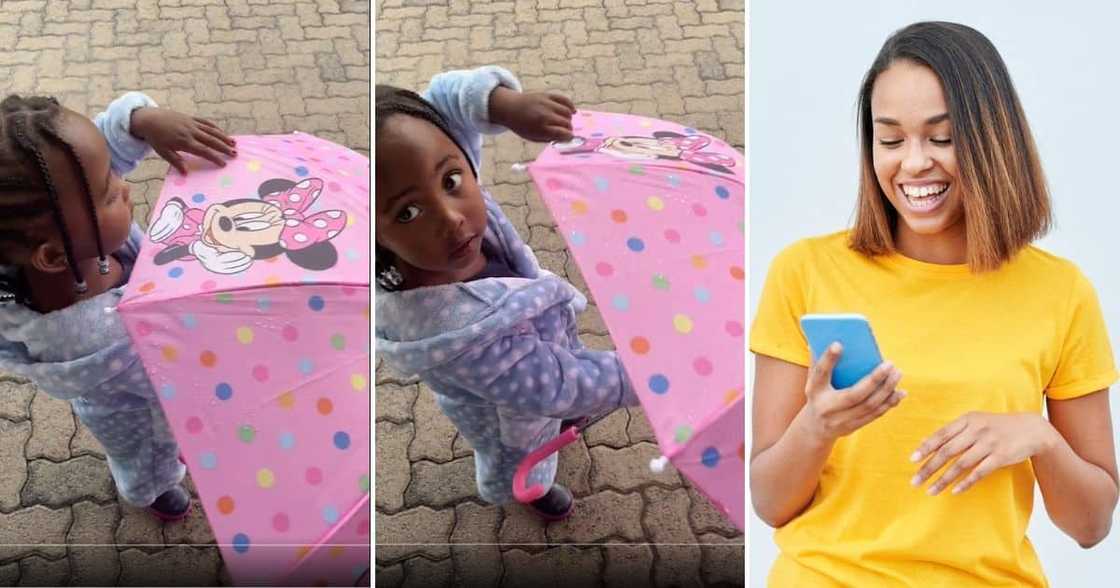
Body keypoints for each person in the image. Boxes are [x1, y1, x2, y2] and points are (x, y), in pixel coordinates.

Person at [750, 21, 1119, 586]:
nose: (914, 162)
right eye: (891, 139)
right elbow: (769, 503)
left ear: (994, 139)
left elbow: (1091, 525)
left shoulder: (1061, 291)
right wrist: (816, 429)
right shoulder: (804, 271)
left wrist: (1040, 437)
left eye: (942, 138)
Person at [374, 66, 638, 520]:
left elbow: (440, 97)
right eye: (408, 212)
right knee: (519, 460)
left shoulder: (438, 212)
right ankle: (531, 493)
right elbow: (560, 383)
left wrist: (505, 106)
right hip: (510, 412)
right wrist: (654, 374)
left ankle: (558, 433)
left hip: (541, 358)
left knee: (559, 413)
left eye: (451, 180)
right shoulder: (458, 334)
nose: (450, 216)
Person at [0, 91, 237, 520]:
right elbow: (170, 371)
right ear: (53, 256)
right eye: (110, 195)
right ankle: (149, 490)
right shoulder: (86, 337)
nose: (125, 188)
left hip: (154, 376)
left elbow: (91, 153)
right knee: (148, 453)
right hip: (135, 410)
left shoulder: (65, 227)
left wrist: (140, 119)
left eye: (113, 174)